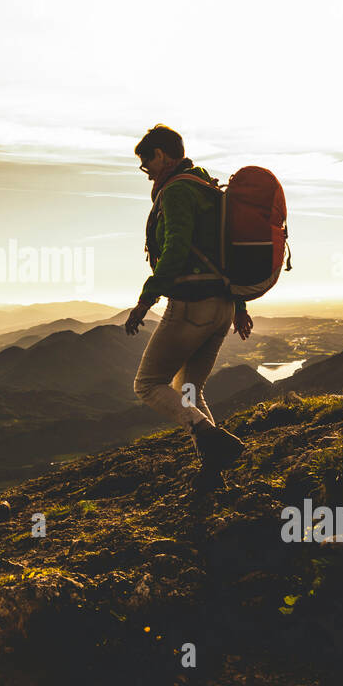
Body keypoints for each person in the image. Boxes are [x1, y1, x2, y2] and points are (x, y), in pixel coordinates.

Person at [124, 124, 250, 493]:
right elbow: (226, 254)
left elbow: (177, 248)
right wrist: (238, 306)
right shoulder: (208, 190)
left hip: (192, 306)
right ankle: (213, 472)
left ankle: (214, 440)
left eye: (147, 159)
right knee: (190, 389)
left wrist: (145, 300)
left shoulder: (178, 190)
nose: (145, 168)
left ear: (162, 154)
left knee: (147, 384)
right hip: (222, 307)